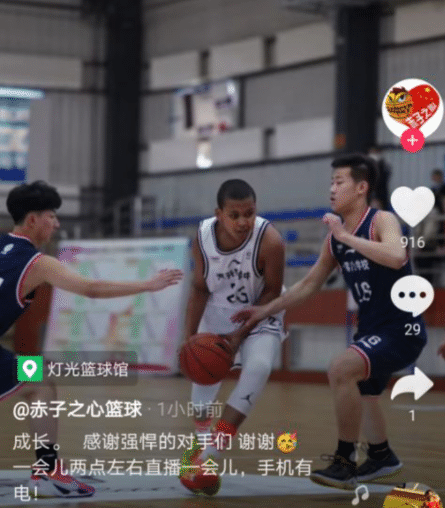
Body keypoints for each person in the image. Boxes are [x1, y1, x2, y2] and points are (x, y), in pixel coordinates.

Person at [232, 154, 427, 490]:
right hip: (372, 330)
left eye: (339, 182)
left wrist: (346, 236)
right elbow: (309, 285)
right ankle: (381, 456)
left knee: (340, 369)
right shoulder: (335, 238)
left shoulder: (382, 220)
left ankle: (344, 461)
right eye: (331, 182)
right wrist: (264, 311)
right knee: (365, 390)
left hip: (401, 330)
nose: (332, 189)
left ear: (361, 187)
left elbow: (397, 256)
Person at [0, 181, 183, 498]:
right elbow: (91, 289)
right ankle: (48, 471)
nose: (57, 224)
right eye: (51, 216)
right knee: (40, 382)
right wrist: (146, 285)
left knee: (40, 378)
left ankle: (47, 469)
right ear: (32, 220)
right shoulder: (39, 263)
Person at [179, 179, 286, 495]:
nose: (242, 222)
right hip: (217, 315)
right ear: (219, 214)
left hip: (260, 313)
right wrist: (189, 338)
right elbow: (200, 289)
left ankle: (210, 456)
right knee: (202, 388)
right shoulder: (202, 236)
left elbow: (272, 291)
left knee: (259, 367)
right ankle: (200, 446)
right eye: (234, 215)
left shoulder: (271, 240)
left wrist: (240, 335)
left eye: (249, 213)